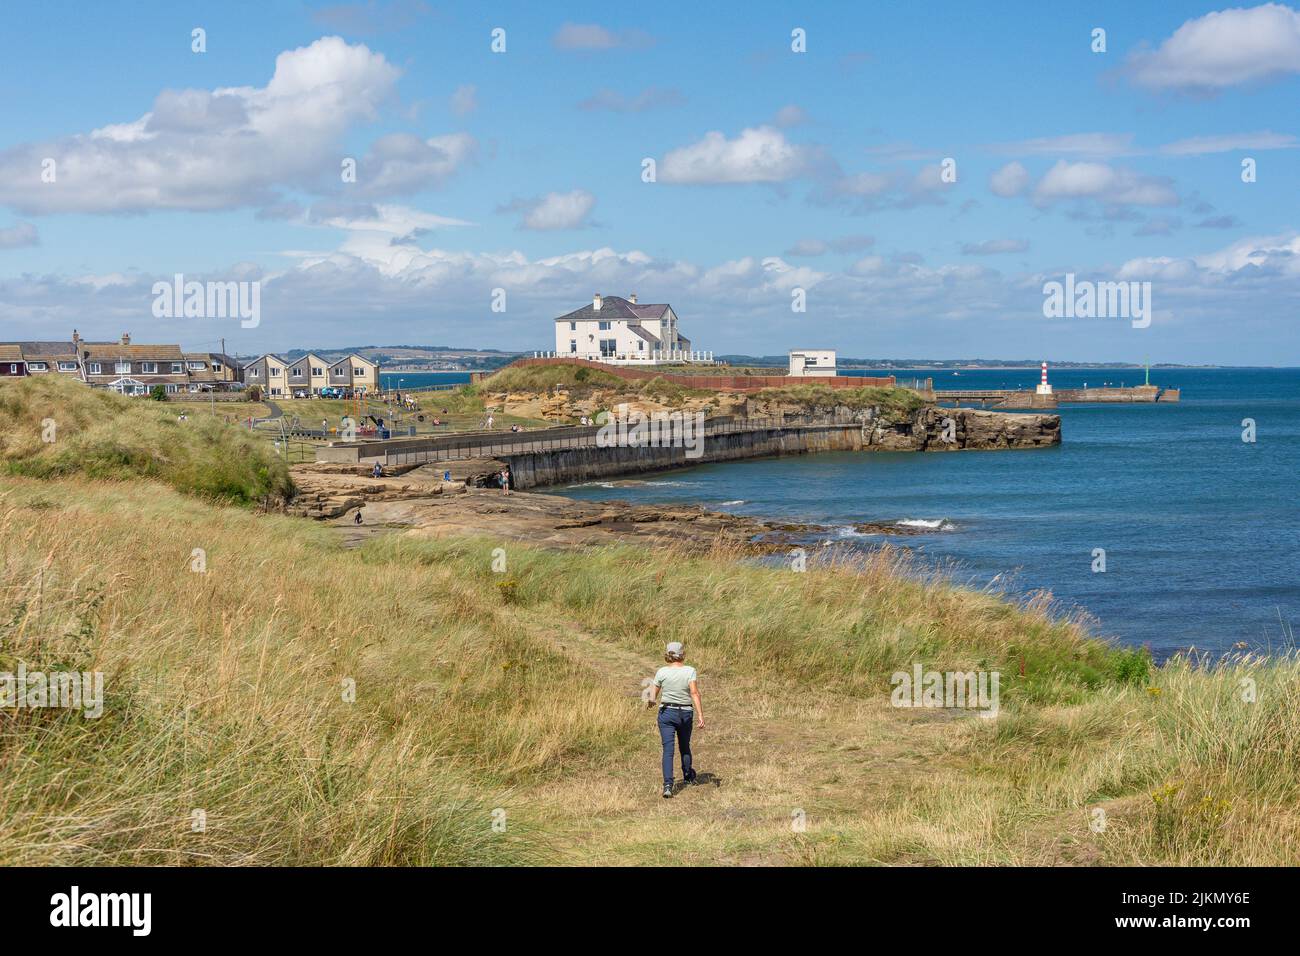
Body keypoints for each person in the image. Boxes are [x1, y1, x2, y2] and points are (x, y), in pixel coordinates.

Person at [649, 641, 704, 798]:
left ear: (668, 654)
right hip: (685, 713)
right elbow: (694, 693)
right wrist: (700, 714)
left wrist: (651, 701)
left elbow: (653, 695)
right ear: (682, 654)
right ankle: (687, 776)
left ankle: (668, 785)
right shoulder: (690, 671)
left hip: (666, 713)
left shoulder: (661, 672)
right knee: (684, 746)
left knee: (668, 750)